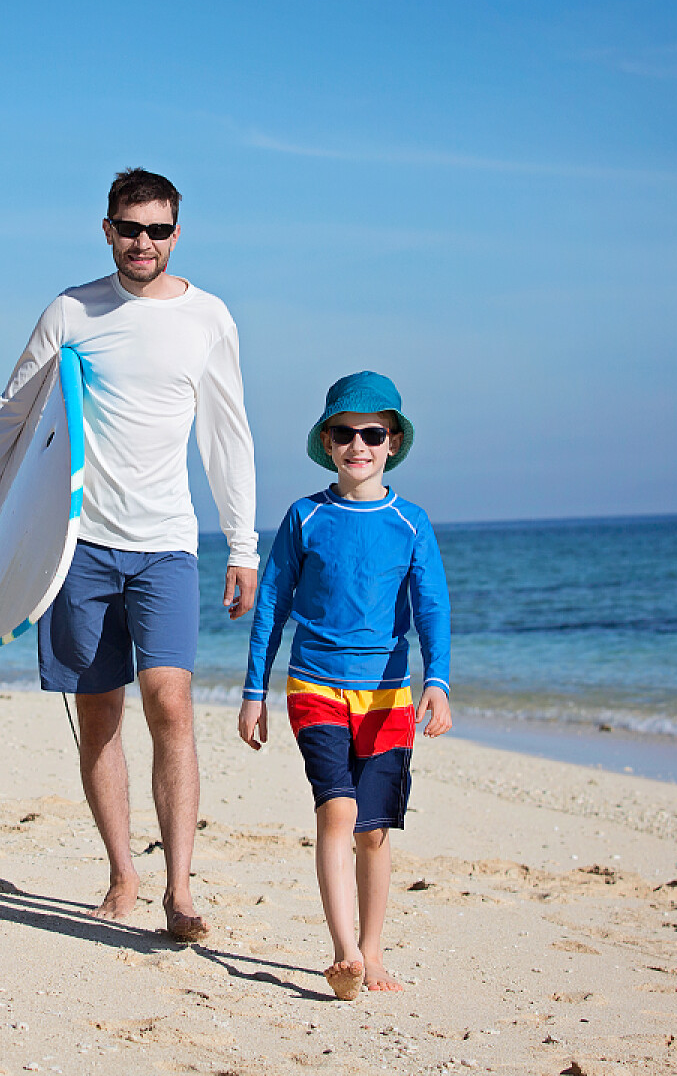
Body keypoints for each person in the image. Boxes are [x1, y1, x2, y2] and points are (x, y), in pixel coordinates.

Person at [0, 167, 258, 941]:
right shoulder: (71, 311)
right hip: (74, 545)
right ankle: (123, 874)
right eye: (130, 228)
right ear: (108, 228)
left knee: (172, 704)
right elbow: (11, 423)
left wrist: (243, 546)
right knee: (100, 720)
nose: (142, 242)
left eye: (157, 230)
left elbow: (228, 436)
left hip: (166, 547)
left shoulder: (209, 319)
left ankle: (180, 890)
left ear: (176, 234)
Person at [238, 371, 451, 1000]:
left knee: (374, 830)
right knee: (337, 809)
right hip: (315, 687)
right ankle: (344, 952)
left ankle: (375, 947)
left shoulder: (411, 523)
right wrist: (254, 692)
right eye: (343, 433)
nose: (358, 445)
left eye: (371, 434)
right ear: (327, 444)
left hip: (387, 695)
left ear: (392, 444)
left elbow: (432, 606)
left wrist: (435, 680)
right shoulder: (305, 518)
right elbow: (272, 604)